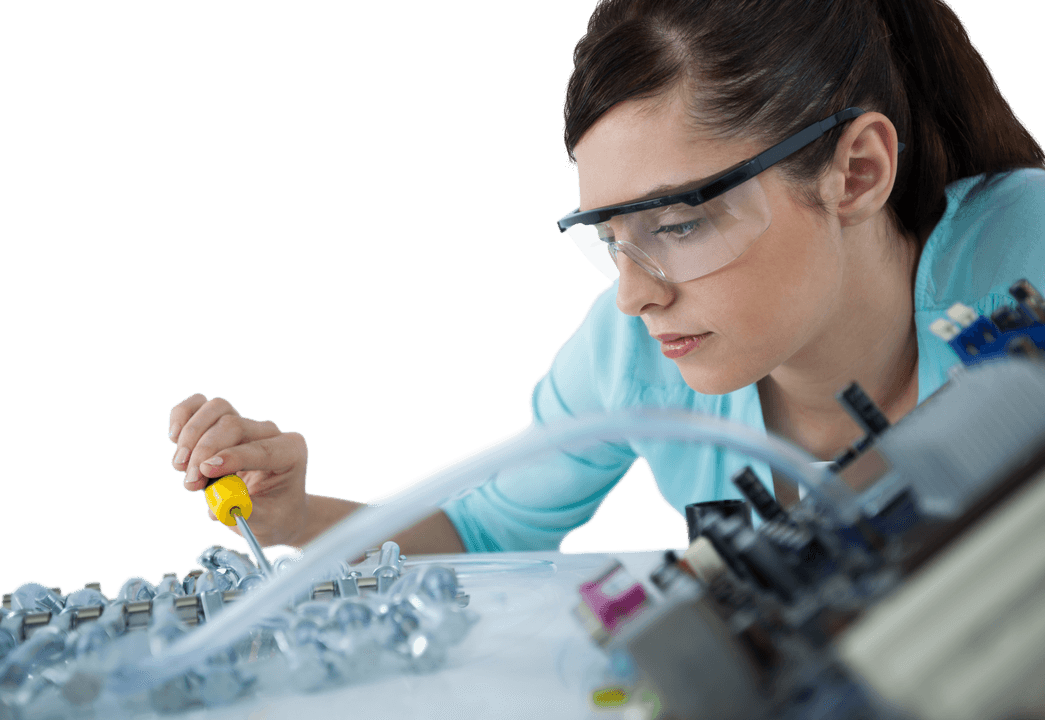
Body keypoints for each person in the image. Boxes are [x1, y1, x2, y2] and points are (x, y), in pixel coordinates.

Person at [167, 0, 1045, 554]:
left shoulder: (1029, 253)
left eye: (681, 223)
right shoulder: (632, 355)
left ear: (855, 173)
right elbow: (478, 532)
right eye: (612, 237)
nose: (636, 293)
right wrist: (289, 518)